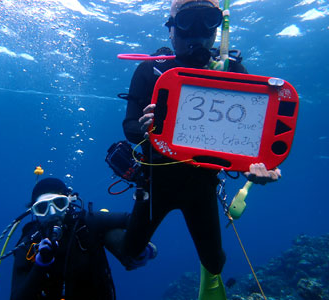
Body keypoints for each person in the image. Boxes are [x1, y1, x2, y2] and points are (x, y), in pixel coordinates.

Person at [117, 0, 282, 298]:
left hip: (202, 184)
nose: (197, 34)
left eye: (208, 22)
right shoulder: (150, 70)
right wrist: (145, 127)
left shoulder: (232, 70)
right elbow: (129, 126)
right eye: (185, 23)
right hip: (156, 185)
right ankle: (111, 222)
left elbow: (244, 138)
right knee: (130, 254)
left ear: (218, 29)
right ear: (170, 31)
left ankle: (210, 277)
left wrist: (256, 169)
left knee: (214, 262)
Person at [10, 177, 156, 300]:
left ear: (68, 203)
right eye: (42, 208)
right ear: (34, 212)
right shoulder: (29, 243)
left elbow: (134, 220)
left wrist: (137, 243)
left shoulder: (87, 223)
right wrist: (41, 264)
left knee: (108, 231)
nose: (52, 212)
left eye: (59, 203)